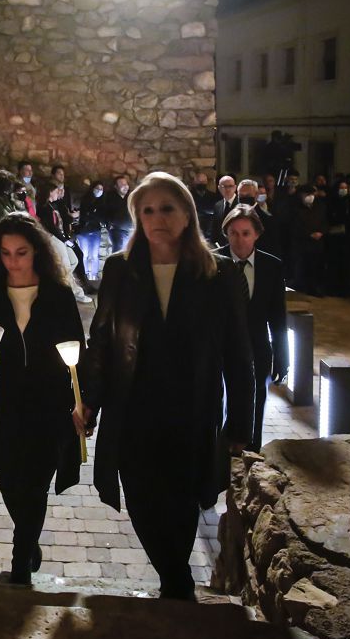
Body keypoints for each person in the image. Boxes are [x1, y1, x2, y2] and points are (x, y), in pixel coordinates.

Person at [74, 171, 254, 601]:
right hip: (133, 407)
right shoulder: (120, 269)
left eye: (167, 208)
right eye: (148, 209)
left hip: (190, 409)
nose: (157, 217)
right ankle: (175, 578)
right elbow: (102, 340)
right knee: (140, 496)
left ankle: (175, 584)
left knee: (180, 498)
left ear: (187, 214)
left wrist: (239, 426)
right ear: (137, 216)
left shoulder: (218, 273)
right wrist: (88, 401)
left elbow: (238, 354)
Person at [0, 214, 85, 585]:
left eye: (21, 253)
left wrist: (82, 399)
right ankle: (29, 539)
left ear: (38, 252)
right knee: (10, 481)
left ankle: (20, 559)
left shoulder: (58, 295)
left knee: (35, 483)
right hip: (5, 403)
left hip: (49, 403)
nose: (13, 261)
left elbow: (77, 347)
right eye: (5, 253)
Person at [217, 207, 289, 452]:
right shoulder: (212, 263)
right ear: (226, 233)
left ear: (256, 234)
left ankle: (251, 453)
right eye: (233, 233)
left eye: (245, 233)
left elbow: (278, 316)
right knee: (218, 401)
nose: (239, 239)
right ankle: (219, 453)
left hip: (256, 345)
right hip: (220, 346)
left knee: (256, 401)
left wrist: (282, 357)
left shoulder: (272, 266)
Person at [77, 181, 105, 281]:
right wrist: (93, 213)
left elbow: (100, 217)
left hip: (95, 231)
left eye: (101, 189)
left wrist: (92, 213)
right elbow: (84, 215)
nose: (99, 191)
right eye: (98, 188)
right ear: (92, 188)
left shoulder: (102, 201)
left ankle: (94, 277)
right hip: (83, 231)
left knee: (94, 255)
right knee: (84, 255)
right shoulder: (86, 199)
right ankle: (84, 276)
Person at [100, 175, 132, 252]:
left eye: (126, 184)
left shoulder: (129, 197)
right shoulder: (110, 198)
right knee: (118, 253)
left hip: (128, 230)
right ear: (116, 187)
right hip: (116, 231)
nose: (125, 186)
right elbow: (103, 212)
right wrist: (108, 224)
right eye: (122, 184)